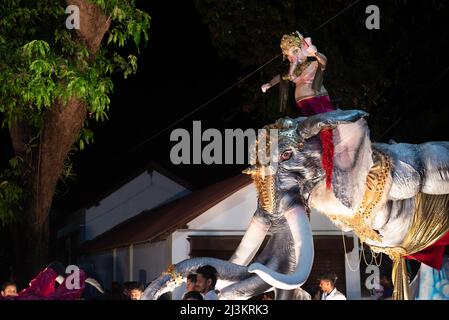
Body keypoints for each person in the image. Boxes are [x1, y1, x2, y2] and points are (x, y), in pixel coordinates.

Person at [261, 31, 334, 116]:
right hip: (301, 101)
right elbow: (281, 77)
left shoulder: (313, 65)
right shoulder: (293, 72)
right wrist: (270, 84)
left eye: (295, 51)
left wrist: (315, 53)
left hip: (317, 98)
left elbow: (324, 61)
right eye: (289, 55)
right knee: (311, 125)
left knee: (325, 122)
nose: (293, 57)